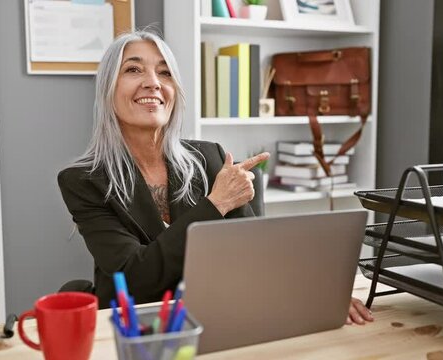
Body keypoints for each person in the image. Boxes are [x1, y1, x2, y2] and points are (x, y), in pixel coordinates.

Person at [58, 30, 373, 325]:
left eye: (165, 72)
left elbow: (255, 253)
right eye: (134, 70)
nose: (153, 82)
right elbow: (135, 279)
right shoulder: (84, 181)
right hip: (136, 329)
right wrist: (215, 203)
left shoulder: (210, 157)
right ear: (107, 89)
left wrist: (313, 290)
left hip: (217, 318)